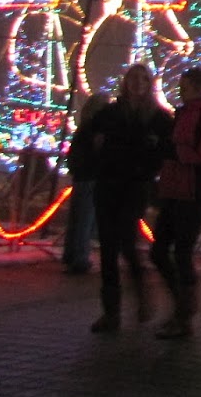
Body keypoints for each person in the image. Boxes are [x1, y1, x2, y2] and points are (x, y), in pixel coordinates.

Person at [85, 63, 172, 333]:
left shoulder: (158, 118)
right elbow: (90, 137)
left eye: (143, 79)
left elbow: (165, 151)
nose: (137, 83)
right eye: (133, 78)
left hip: (136, 185)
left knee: (125, 239)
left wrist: (146, 164)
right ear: (125, 83)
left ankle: (141, 293)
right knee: (108, 248)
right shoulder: (109, 113)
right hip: (108, 183)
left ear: (149, 84)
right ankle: (111, 311)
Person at [150, 64, 201, 339]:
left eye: (184, 87)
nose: (180, 91)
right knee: (162, 251)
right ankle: (181, 307)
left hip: (191, 192)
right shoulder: (188, 113)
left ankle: (184, 313)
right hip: (174, 190)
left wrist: (174, 151)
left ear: (196, 88)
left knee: (178, 253)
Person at [61, 92, 110, 275]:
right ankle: (80, 256)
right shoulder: (97, 129)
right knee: (85, 219)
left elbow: (74, 154)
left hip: (81, 176)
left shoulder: (83, 127)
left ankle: (71, 253)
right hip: (91, 176)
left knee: (77, 217)